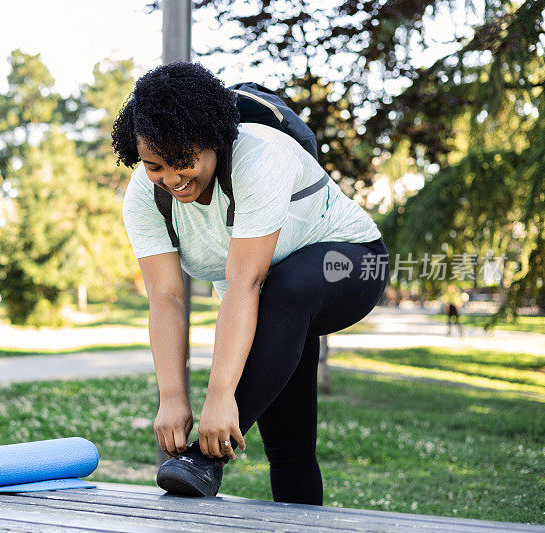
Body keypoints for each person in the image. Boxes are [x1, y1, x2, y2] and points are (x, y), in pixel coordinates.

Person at [111, 62, 388, 504]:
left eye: (185, 161)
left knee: (282, 291)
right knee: (290, 451)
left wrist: (220, 395)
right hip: (278, 295)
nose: (173, 178)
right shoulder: (146, 196)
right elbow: (165, 299)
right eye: (155, 165)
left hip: (350, 262)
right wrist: (172, 398)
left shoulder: (258, 157)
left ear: (215, 141)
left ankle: (205, 462)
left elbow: (246, 282)